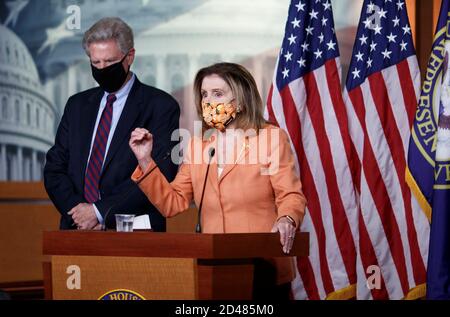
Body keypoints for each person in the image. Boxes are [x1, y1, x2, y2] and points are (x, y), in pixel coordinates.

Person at [129, 62, 307, 299]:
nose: (209, 101)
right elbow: (173, 203)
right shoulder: (198, 145)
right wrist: (145, 161)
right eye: (204, 94)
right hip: (212, 269)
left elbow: (290, 195)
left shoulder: (269, 138)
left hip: (263, 269)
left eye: (218, 94)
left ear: (241, 99)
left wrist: (287, 218)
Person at [44, 17, 179, 231]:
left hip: (133, 233)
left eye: (109, 62)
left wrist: (98, 212)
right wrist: (79, 214)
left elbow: (161, 172)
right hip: (76, 229)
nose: (102, 68)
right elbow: (55, 167)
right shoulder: (77, 105)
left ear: (130, 57)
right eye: (95, 63)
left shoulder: (161, 106)